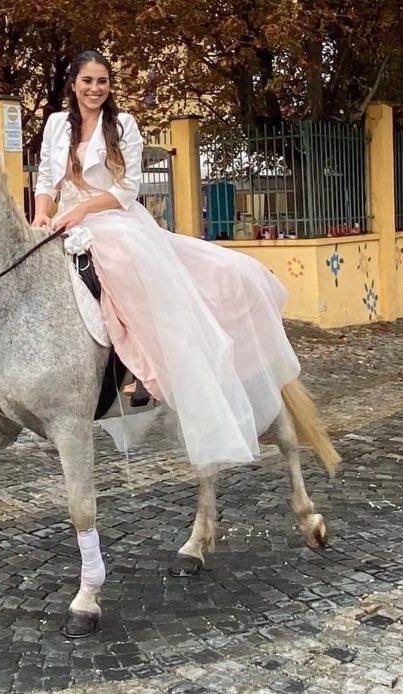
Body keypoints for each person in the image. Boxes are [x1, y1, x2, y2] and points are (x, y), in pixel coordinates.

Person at [31, 50, 302, 469]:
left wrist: (81, 211)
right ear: (73, 84)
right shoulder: (54, 125)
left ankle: (136, 371)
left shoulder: (123, 126)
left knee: (120, 270)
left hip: (113, 220)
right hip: (62, 219)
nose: (95, 89)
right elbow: (47, 178)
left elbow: (126, 189)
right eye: (87, 81)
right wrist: (42, 212)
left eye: (102, 81)